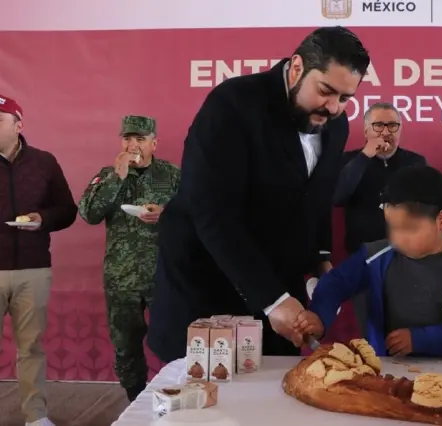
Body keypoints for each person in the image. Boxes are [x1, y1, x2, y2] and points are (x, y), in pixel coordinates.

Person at [147, 26, 370, 362]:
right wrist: (273, 300)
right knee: (208, 401)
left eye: (345, 98)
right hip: (209, 277)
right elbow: (212, 213)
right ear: (297, 68)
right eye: (326, 91)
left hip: (279, 279)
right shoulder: (232, 105)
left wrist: (321, 261)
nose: (335, 107)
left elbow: (317, 198)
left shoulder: (335, 124)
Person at [294, 165, 442, 357]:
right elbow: (336, 283)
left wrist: (422, 339)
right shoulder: (375, 256)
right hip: (387, 375)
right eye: (392, 227)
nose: (397, 238)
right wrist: (319, 316)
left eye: (409, 228)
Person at [78, 116, 180, 401]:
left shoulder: (172, 175)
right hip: (121, 279)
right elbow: (89, 214)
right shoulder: (107, 174)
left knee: (175, 342)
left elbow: (196, 216)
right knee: (125, 347)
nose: (133, 145)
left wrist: (165, 214)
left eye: (140, 139)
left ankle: (179, 399)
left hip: (164, 276)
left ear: (154, 143)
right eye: (127, 139)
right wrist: (116, 178)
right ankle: (134, 402)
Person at [0, 94, 77, 426]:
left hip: (33, 270)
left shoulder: (44, 162)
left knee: (31, 348)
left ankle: (36, 416)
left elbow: (67, 211)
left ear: (19, 124)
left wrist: (41, 219)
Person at [333, 102, 426, 255]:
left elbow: (423, 207)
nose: (385, 132)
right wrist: (365, 156)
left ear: (400, 130)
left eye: (392, 125)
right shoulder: (349, 160)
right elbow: (338, 198)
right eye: (378, 125)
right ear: (366, 131)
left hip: (405, 251)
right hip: (361, 250)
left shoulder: (415, 162)